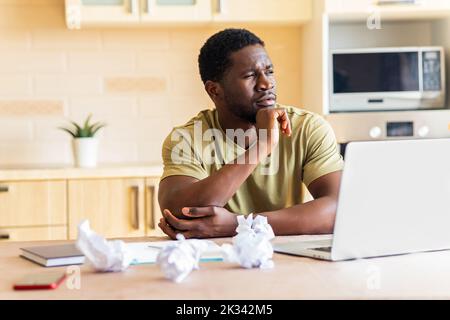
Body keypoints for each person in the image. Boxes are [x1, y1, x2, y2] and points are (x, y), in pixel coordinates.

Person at [158, 28, 344, 239]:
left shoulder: (307, 128)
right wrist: (262, 146)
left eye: (269, 71)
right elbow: (179, 213)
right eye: (250, 75)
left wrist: (241, 224)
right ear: (214, 90)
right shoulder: (187, 139)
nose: (266, 83)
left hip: (287, 260)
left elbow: (339, 210)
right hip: (213, 264)